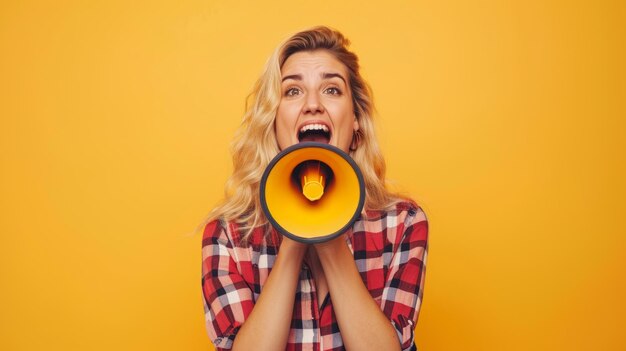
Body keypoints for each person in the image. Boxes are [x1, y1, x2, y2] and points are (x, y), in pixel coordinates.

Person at [201, 26, 429, 351]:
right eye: (292, 91)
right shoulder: (228, 235)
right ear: (273, 120)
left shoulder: (403, 223)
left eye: (332, 90)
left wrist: (328, 226)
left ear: (355, 122)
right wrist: (295, 227)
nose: (312, 104)